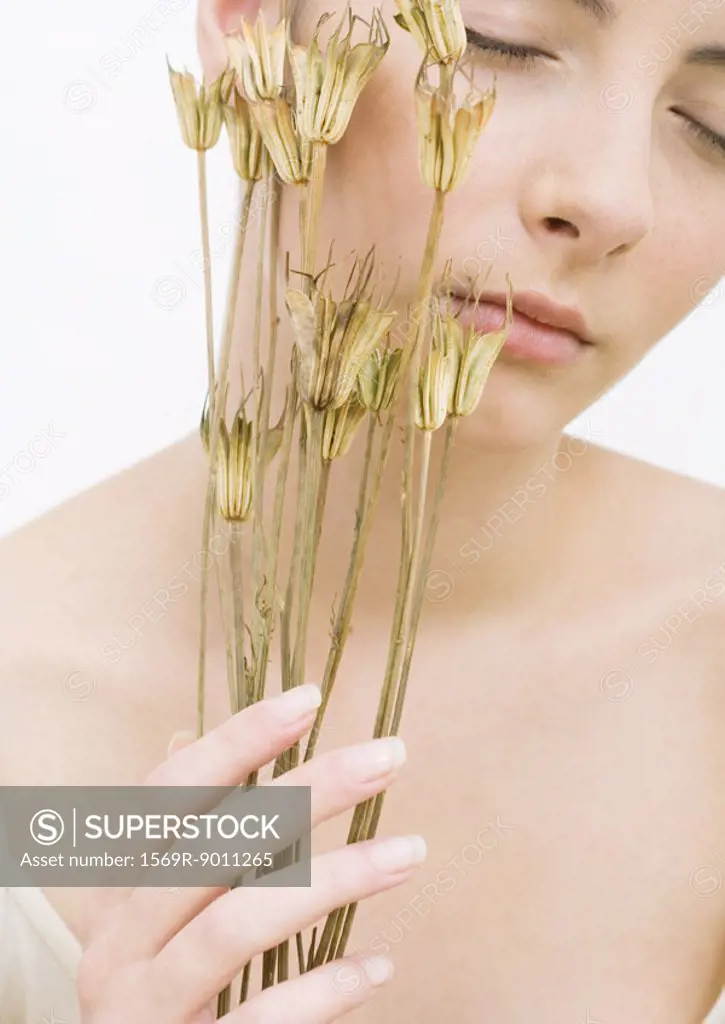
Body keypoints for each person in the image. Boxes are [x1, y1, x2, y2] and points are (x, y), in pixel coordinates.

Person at [2, 0, 725, 1020]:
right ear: (252, 23)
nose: (611, 198)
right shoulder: (19, 741)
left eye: (711, 124)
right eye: (500, 38)